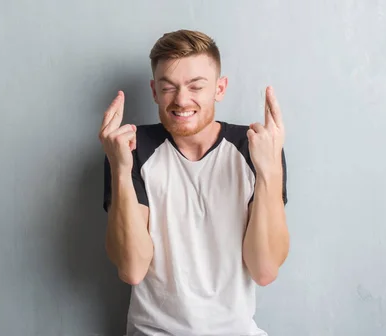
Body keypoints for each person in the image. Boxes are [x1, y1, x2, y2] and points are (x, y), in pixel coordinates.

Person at [98, 29, 289, 336]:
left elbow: (264, 271)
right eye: (168, 87)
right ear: (154, 92)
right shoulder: (132, 148)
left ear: (219, 88)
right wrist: (120, 170)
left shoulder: (253, 148)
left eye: (196, 86)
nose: (181, 100)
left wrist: (270, 172)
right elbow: (132, 269)